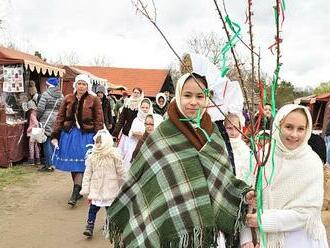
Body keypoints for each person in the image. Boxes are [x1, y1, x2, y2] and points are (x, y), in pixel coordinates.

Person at [107, 73, 255, 247]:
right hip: (170, 227)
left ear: (207, 98)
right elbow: (143, 179)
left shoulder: (213, 132)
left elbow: (223, 178)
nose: (193, 102)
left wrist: (243, 194)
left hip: (207, 229)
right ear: (178, 96)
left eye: (200, 96)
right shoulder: (163, 133)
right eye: (187, 95)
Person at [245, 104, 328, 248]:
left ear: (307, 130)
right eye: (289, 127)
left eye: (300, 129)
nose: (294, 134)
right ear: (278, 125)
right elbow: (248, 203)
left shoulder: (312, 163)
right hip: (261, 240)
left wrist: (263, 220)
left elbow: (307, 213)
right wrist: (247, 240)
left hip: (299, 240)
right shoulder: (262, 156)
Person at [51, 74, 104, 206]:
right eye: (79, 83)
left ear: (88, 86)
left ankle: (75, 193)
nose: (81, 86)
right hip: (69, 134)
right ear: (75, 85)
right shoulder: (68, 98)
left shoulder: (94, 99)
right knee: (73, 165)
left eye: (84, 84)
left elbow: (99, 119)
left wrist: (99, 137)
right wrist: (55, 135)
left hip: (86, 134)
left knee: (82, 164)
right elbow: (60, 116)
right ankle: (78, 187)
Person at [80, 129, 125, 237]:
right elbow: (87, 173)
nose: (99, 144)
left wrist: (126, 183)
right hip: (96, 189)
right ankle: (89, 226)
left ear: (107, 142)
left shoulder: (114, 155)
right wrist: (85, 187)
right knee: (93, 208)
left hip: (110, 188)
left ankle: (109, 225)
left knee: (110, 209)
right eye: (97, 142)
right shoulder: (92, 156)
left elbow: (121, 171)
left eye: (101, 142)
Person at [37, 77, 63, 172]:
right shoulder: (61, 96)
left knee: (46, 141)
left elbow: (40, 109)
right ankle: (53, 163)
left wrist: (38, 118)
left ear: (48, 85)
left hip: (46, 119)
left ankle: (49, 164)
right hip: (57, 120)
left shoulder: (46, 94)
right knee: (53, 141)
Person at [112, 88, 143, 158]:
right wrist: (116, 132)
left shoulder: (142, 105)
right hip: (127, 131)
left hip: (136, 133)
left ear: (140, 94)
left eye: (138, 93)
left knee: (132, 153)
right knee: (122, 153)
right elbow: (121, 119)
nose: (136, 94)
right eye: (134, 92)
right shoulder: (127, 104)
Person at [224, 113, 254, 185]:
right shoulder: (220, 147)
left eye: (236, 128)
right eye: (229, 128)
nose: (233, 133)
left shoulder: (245, 150)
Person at [25, 100, 41, 165]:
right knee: (36, 146)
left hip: (33, 131)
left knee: (31, 145)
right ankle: (38, 159)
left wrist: (29, 129)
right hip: (37, 131)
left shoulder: (31, 114)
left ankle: (31, 160)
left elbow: (35, 122)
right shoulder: (36, 113)